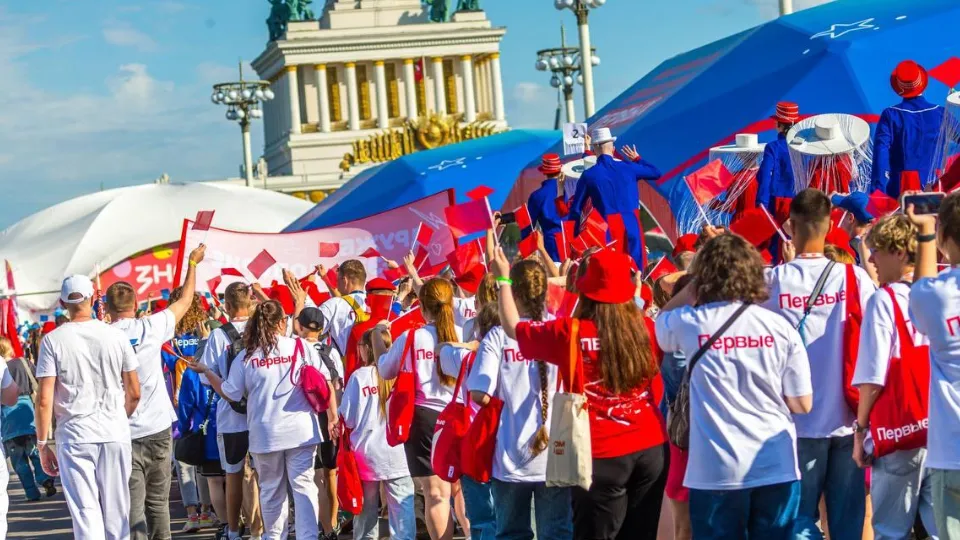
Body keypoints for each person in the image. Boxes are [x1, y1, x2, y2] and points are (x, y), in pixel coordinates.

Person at [494, 247, 668, 540]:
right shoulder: (648, 327)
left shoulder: (569, 332)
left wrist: (503, 280)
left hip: (599, 455)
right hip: (651, 449)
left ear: (585, 291)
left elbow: (513, 328)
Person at [657, 233, 813, 539]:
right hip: (775, 464)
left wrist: (693, 284)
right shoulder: (780, 327)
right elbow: (802, 403)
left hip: (716, 471)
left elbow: (662, 321)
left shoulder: (691, 323)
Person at [763, 188, 877, 539]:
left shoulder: (774, 282)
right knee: (847, 525)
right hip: (847, 419)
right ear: (829, 226)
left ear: (791, 227)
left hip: (795, 423)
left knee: (797, 523)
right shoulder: (854, 278)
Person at [190, 299, 334, 540]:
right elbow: (326, 379)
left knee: (271, 491)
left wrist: (207, 371)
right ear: (281, 323)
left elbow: (230, 392)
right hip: (300, 431)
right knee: (303, 486)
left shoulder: (247, 356)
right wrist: (332, 416)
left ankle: (274, 536)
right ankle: (307, 536)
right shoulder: (300, 347)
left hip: (265, 434)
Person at [465, 260, 573, 540]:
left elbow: (480, 394)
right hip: (557, 453)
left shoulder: (499, 336)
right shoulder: (561, 329)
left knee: (512, 533)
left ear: (512, 295)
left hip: (511, 454)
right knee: (557, 533)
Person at [105, 245, 205, 540]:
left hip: (123, 429)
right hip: (158, 427)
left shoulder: (104, 337)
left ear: (109, 308)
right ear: (135, 303)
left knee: (133, 506)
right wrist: (192, 264)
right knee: (158, 504)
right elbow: (186, 300)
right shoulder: (151, 326)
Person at [850, 215, 938, 539]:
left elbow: (872, 377)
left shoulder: (884, 300)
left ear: (900, 253)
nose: (871, 258)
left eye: (877, 250)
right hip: (940, 428)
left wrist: (860, 431)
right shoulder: (940, 294)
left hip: (900, 431)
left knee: (891, 531)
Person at [35, 274, 142, 539]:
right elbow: (134, 392)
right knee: (118, 513)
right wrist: (119, 416)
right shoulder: (115, 336)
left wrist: (42, 443)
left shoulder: (53, 340)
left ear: (62, 303)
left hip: (75, 435)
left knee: (85, 513)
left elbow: (44, 398)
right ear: (94, 298)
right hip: (113, 431)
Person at [375, 278, 463, 540]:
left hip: (424, 419)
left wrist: (377, 337)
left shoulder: (412, 337)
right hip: (459, 413)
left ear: (423, 307)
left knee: (435, 493)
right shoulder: (464, 332)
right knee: (461, 489)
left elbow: (384, 369)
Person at [907, 191, 960, 538]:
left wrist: (925, 234)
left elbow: (919, 295)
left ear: (943, 235)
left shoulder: (939, 294)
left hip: (950, 451)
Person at [199, 282, 264, 540]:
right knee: (263, 475)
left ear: (226, 306)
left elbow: (207, 376)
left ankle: (234, 531)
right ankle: (263, 530)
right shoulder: (260, 329)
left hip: (230, 414)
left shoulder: (218, 335)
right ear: (249, 303)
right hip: (260, 412)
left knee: (234, 474)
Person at [341, 327, 416, 540]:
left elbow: (348, 417)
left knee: (366, 513)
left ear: (367, 349)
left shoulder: (359, 377)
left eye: (360, 348)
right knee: (403, 511)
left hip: (366, 454)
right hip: (398, 453)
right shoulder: (400, 374)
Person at [568, 127, 662, 267]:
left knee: (612, 272)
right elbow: (656, 173)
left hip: (607, 229)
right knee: (637, 272)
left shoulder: (589, 175)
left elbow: (576, 210)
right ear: (612, 147)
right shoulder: (629, 167)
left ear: (595, 149)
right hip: (632, 224)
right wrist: (637, 159)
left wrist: (575, 238)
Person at [872, 60, 944, 198]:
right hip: (937, 184)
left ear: (899, 88)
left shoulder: (891, 114)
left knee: (900, 219)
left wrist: (877, 194)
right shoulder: (941, 112)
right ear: (922, 84)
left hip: (902, 187)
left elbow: (880, 153)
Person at [1, 337, 55, 502]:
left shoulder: (3, 368)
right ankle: (45, 479)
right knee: (34, 452)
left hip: (8, 419)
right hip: (27, 412)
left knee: (19, 461)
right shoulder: (23, 363)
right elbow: (38, 378)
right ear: (10, 349)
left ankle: (31, 492)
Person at [756, 101, 800, 225]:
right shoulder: (805, 148)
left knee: (778, 241)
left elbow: (765, 176)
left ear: (779, 125)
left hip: (779, 203)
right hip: (803, 202)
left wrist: (762, 203)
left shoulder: (773, 147)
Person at [524, 154, 566, 261]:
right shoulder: (571, 188)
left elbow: (528, 228)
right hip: (574, 241)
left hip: (552, 245)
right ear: (560, 169)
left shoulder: (537, 196)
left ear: (544, 172)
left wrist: (525, 252)